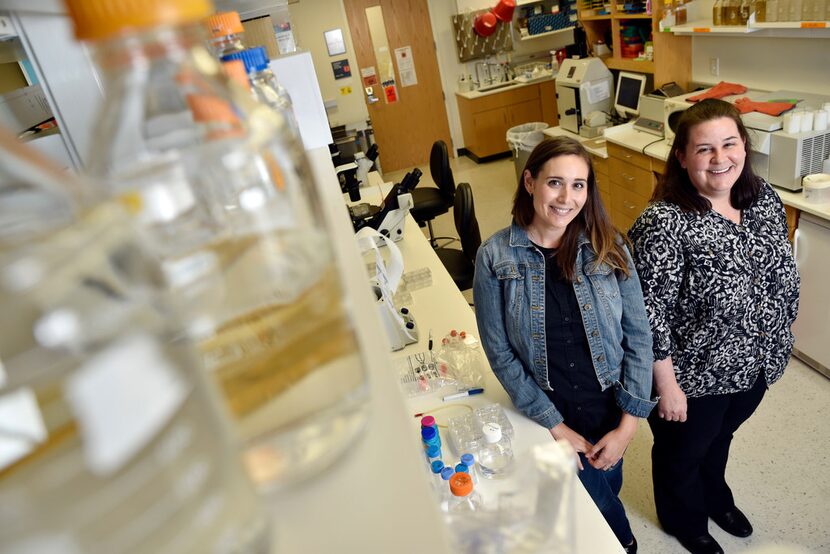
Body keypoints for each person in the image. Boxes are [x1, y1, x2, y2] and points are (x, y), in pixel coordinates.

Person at [628, 99, 800, 554]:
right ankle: (682, 517)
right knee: (681, 453)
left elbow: (779, 271)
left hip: (758, 364)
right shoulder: (664, 222)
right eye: (704, 149)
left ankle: (715, 495)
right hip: (694, 376)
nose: (720, 158)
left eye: (729, 143)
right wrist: (665, 383)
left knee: (719, 438)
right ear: (681, 157)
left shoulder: (763, 198)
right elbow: (647, 313)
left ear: (744, 145)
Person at [473, 136, 655, 554]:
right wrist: (555, 426)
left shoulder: (610, 246)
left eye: (579, 185)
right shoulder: (495, 256)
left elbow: (639, 337)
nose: (566, 197)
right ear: (530, 181)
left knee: (606, 484)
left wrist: (627, 429)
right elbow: (499, 352)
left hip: (608, 408)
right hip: (544, 411)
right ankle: (624, 544)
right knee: (600, 515)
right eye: (555, 182)